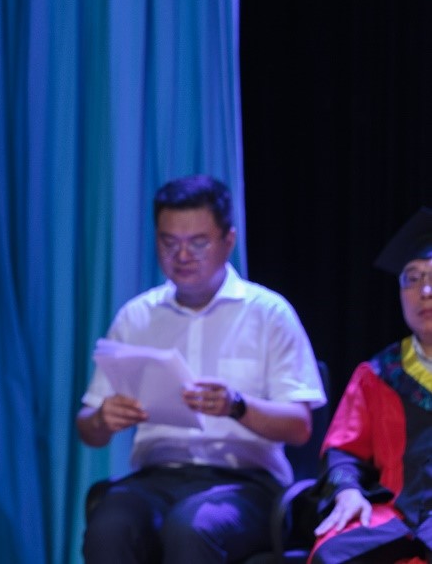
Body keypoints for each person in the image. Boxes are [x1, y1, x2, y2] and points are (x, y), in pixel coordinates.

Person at [77, 174, 326, 563]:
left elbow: (299, 427)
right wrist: (102, 420)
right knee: (109, 528)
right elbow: (88, 427)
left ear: (229, 240)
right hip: (155, 477)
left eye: (198, 243)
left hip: (246, 483)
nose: (182, 256)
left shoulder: (268, 314)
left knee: (192, 526)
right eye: (169, 242)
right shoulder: (136, 317)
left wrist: (237, 406)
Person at [308, 207, 432, 564]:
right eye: (411, 278)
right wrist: (347, 490)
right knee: (331, 555)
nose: (425, 290)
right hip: (397, 513)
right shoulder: (378, 374)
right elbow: (343, 450)